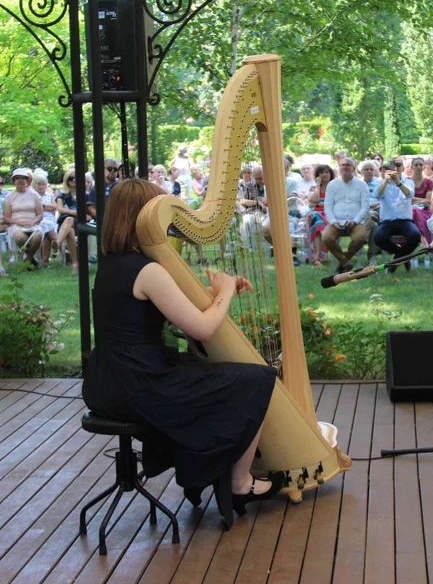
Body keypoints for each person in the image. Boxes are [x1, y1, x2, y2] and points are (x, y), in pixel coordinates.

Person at [83, 179, 284, 528]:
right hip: (141, 385)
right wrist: (223, 294)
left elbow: (169, 306)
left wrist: (220, 291)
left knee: (209, 371)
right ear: (144, 219)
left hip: (107, 381)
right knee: (256, 377)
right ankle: (240, 483)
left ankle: (203, 473)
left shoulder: (113, 265)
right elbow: (202, 329)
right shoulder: (149, 270)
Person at [322, 156, 369, 273]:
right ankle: (345, 262)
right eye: (342, 165)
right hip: (336, 221)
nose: (344, 167)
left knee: (360, 238)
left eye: (348, 165)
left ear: (353, 168)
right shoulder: (332, 184)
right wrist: (333, 221)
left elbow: (365, 207)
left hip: (355, 221)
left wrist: (355, 221)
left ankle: (344, 261)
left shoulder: (362, 185)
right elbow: (327, 206)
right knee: (326, 237)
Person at [373, 158, 419, 272]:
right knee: (378, 237)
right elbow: (376, 195)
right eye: (392, 165)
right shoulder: (381, 182)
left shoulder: (408, 181)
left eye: (398, 165)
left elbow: (409, 194)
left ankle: (396, 260)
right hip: (387, 221)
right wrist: (385, 180)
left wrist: (398, 182)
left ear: (403, 168)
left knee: (415, 236)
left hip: (405, 220)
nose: (395, 168)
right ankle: (403, 257)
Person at [2, 167, 44, 267]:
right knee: (20, 237)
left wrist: (33, 222)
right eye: (17, 178)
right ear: (13, 181)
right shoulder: (9, 197)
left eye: (23, 178)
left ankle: (28, 260)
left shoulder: (34, 195)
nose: (21, 180)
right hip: (16, 224)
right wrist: (19, 223)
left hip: (32, 223)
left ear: (27, 180)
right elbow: (6, 217)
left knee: (37, 236)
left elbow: (40, 214)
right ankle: (32, 260)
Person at [306, 164, 333, 266]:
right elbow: (312, 201)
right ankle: (325, 239)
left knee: (318, 220)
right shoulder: (314, 187)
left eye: (327, 172)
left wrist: (318, 204)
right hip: (316, 214)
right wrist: (318, 185)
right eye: (321, 173)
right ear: (317, 175)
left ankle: (317, 257)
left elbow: (334, 203)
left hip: (330, 214)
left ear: (331, 174)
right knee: (317, 216)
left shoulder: (334, 186)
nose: (324, 174)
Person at [55, 168, 81, 273]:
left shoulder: (84, 194)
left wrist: (72, 213)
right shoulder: (62, 195)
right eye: (71, 178)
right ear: (67, 180)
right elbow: (60, 209)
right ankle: (75, 264)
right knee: (69, 229)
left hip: (80, 223)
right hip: (64, 224)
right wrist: (74, 212)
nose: (74, 180)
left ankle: (57, 244)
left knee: (69, 219)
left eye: (76, 178)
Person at [33, 170, 60, 267]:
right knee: (45, 227)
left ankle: (45, 262)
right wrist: (46, 207)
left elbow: (54, 207)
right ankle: (57, 242)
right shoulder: (33, 196)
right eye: (39, 184)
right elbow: (33, 209)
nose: (41, 186)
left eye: (43, 184)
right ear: (34, 185)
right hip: (38, 220)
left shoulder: (50, 195)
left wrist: (42, 206)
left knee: (46, 234)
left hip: (50, 219)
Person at [358, 160, 382, 264]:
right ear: (361, 171)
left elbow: (383, 199)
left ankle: (360, 242)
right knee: (374, 225)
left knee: (371, 214)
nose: (369, 171)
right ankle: (372, 256)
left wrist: (372, 205)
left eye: (371, 169)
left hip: (376, 210)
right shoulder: (357, 183)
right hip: (360, 212)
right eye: (366, 169)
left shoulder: (379, 183)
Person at [409, 156, 433, 248]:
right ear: (411, 167)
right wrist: (420, 200)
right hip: (409, 210)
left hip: (425, 210)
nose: (419, 167)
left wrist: (412, 199)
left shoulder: (429, 182)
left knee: (414, 211)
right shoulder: (407, 181)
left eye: (421, 165)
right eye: (416, 165)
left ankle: (424, 240)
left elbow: (428, 201)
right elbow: (406, 199)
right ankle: (423, 240)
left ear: (424, 167)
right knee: (413, 211)